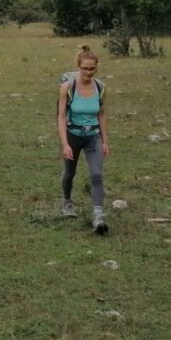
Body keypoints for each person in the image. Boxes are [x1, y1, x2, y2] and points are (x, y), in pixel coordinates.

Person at [56, 45, 110, 234]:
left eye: (92, 69)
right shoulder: (67, 88)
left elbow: (102, 115)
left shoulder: (100, 87)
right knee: (69, 173)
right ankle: (67, 202)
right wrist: (65, 144)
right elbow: (61, 116)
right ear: (78, 67)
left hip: (93, 136)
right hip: (73, 135)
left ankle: (98, 216)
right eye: (84, 68)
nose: (88, 72)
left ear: (96, 68)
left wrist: (105, 141)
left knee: (96, 174)